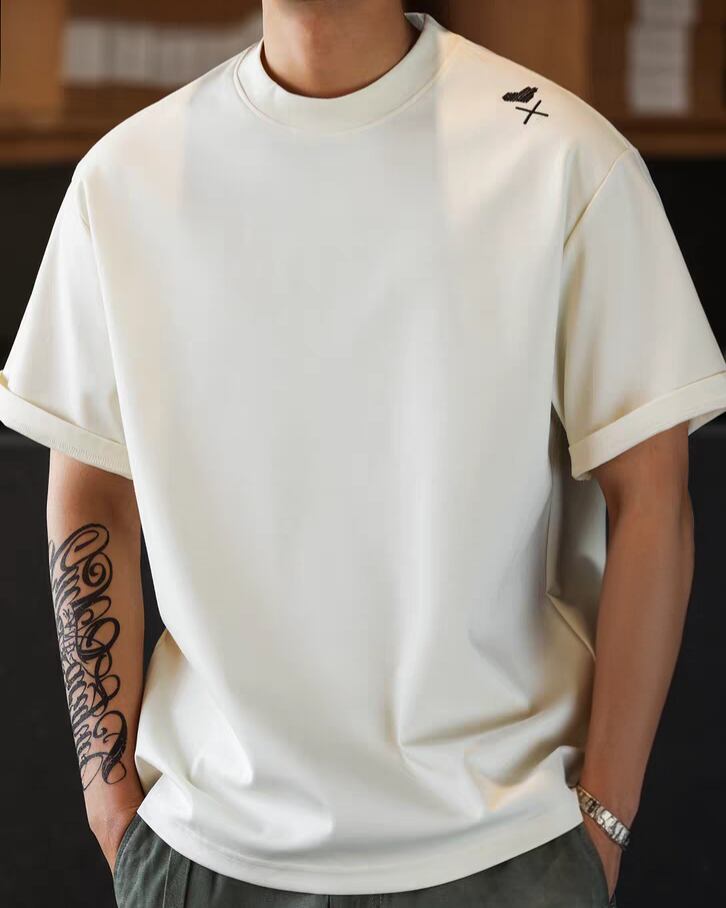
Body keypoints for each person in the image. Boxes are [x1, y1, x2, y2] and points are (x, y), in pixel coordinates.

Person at [1, 2, 725, 906]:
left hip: (506, 850)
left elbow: (652, 496)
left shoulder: (562, 157)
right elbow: (91, 498)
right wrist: (112, 808)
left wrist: (604, 820)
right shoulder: (124, 180)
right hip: (207, 851)